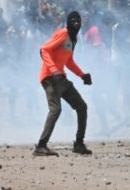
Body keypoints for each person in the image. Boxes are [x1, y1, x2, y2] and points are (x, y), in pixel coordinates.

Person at [34, 11, 93, 156]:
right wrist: (54, 70)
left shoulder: (74, 39)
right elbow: (44, 50)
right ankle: (41, 146)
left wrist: (82, 75)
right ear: (68, 22)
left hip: (61, 79)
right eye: (73, 21)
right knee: (56, 110)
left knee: (81, 106)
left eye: (78, 21)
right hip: (50, 78)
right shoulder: (63, 34)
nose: (76, 23)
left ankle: (79, 144)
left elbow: (69, 61)